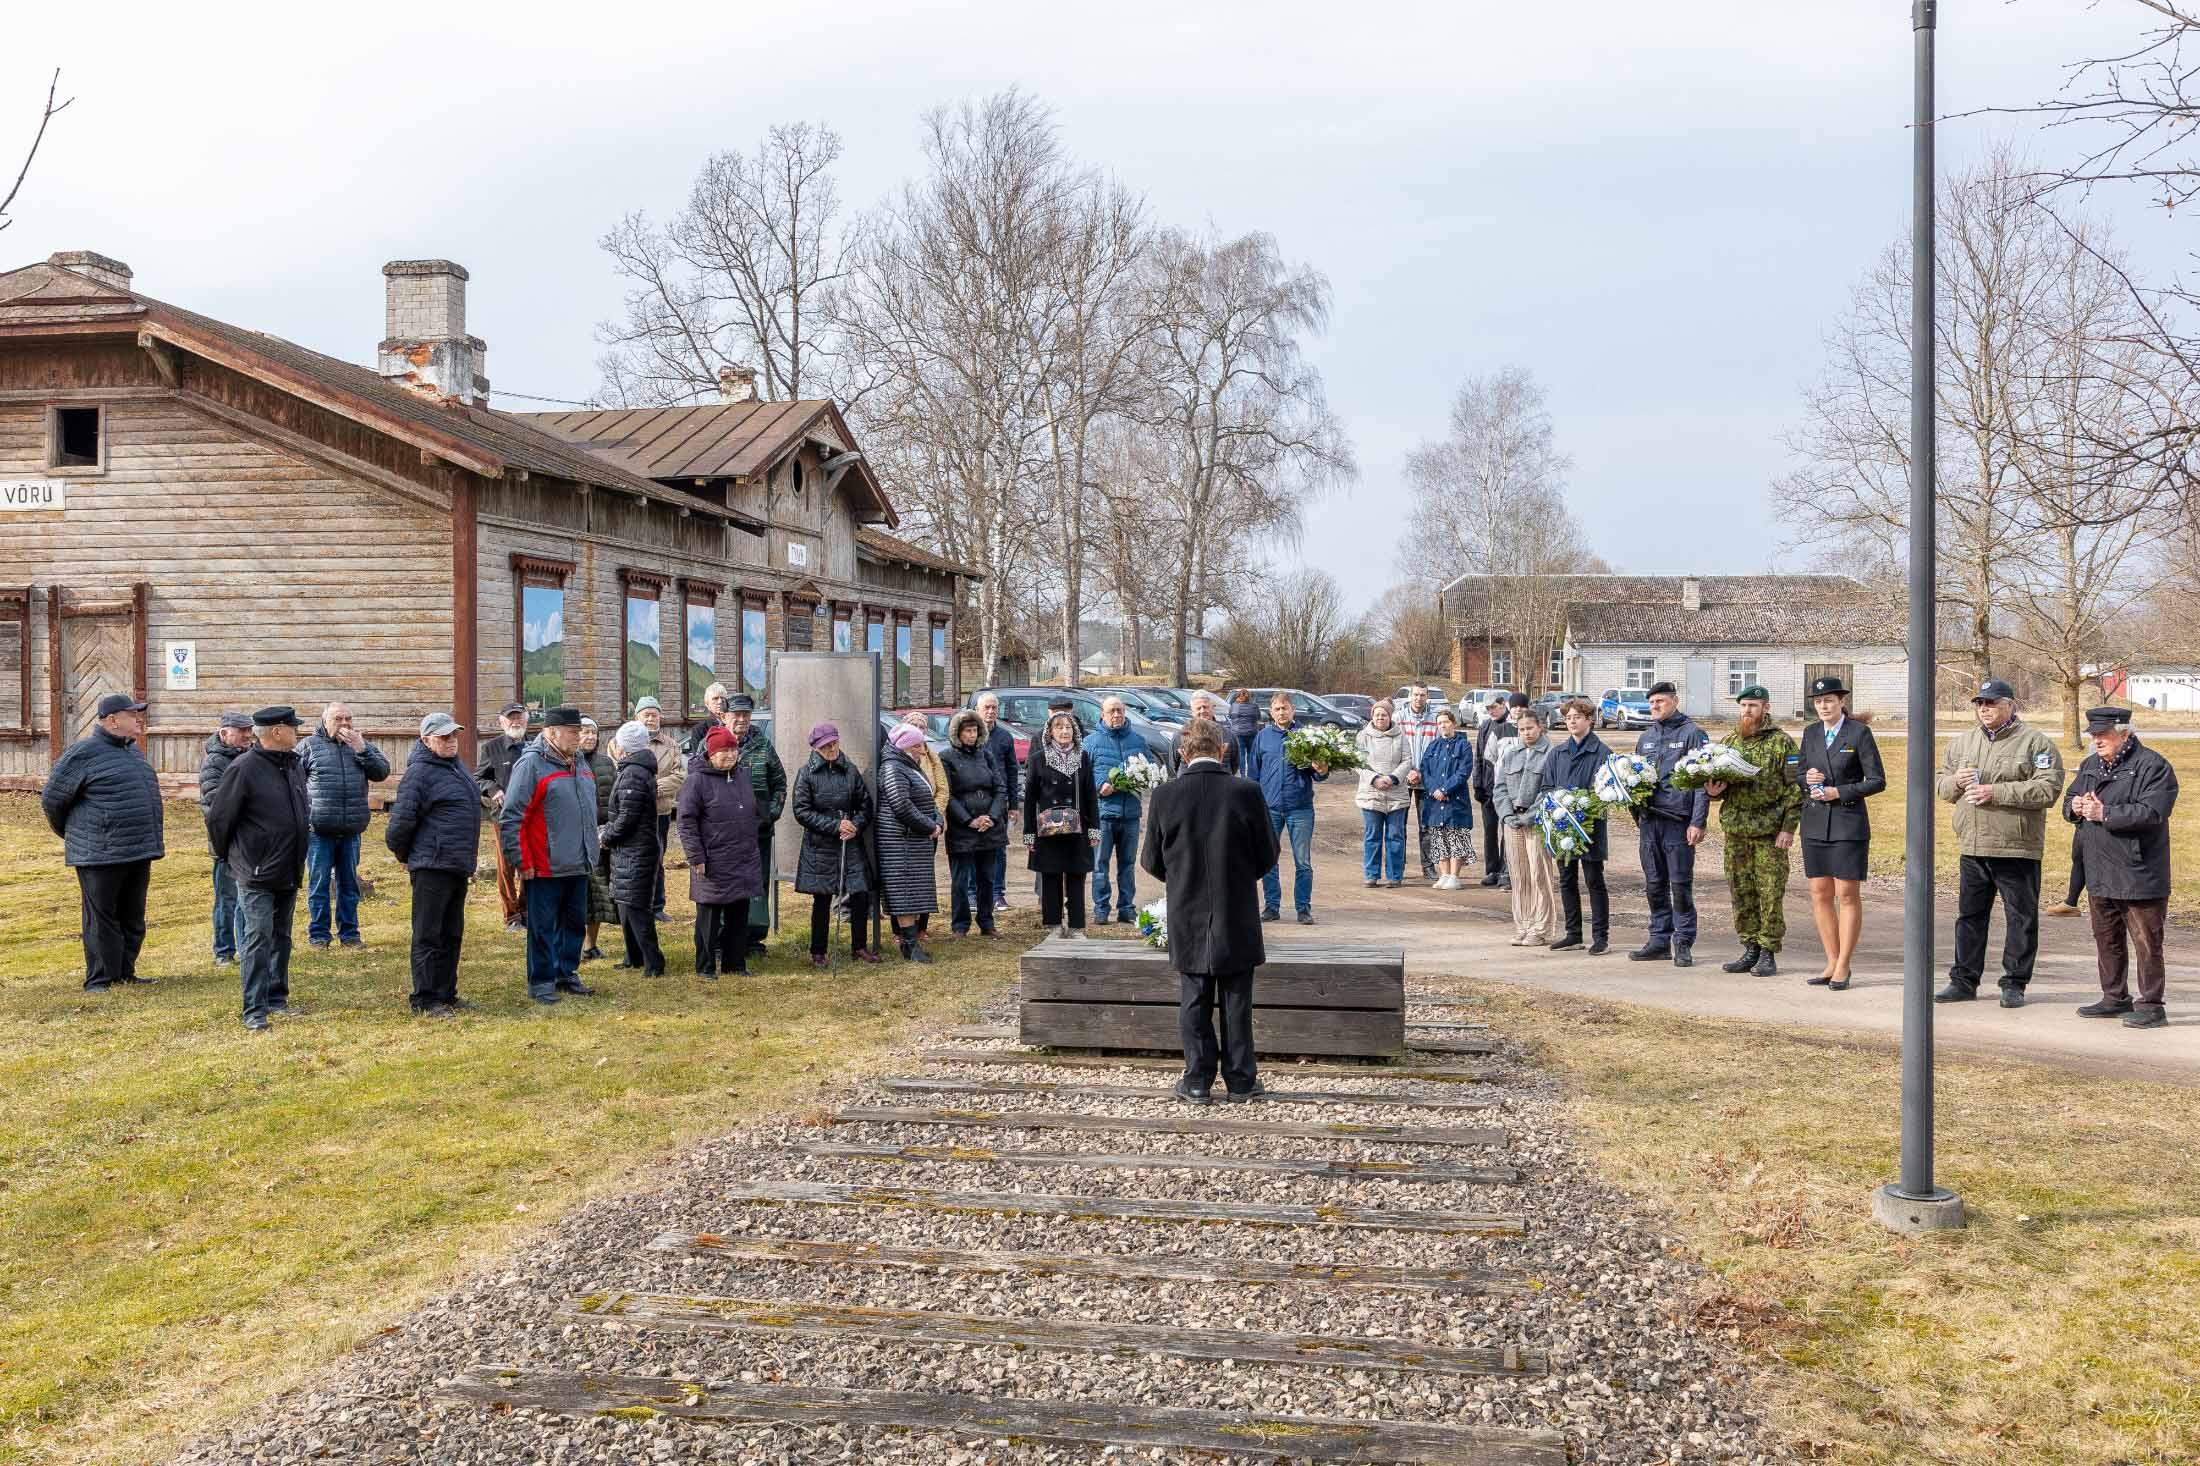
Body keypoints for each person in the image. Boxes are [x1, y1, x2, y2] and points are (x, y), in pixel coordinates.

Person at [1139, 717, 1281, 1104]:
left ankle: (1198, 1079)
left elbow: (1150, 859)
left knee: (1194, 996)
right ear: (1222, 751)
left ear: (1182, 754)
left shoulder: (1166, 796)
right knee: (1237, 998)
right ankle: (1240, 1079)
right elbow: (1268, 853)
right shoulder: (1246, 792)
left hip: (1187, 906)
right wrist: (1236, 876)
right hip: (1236, 906)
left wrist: (1183, 878)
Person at [1933, 678, 2065, 1008]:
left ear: (2010, 705)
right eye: (1979, 703)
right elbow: (1940, 785)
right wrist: (1955, 782)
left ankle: (2014, 982)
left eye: (1991, 703)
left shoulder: (2036, 743)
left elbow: (2047, 789)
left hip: (2015, 846)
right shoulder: (1961, 743)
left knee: (2020, 917)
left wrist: (1997, 792)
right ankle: (1963, 980)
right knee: (1970, 917)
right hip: (1973, 846)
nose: (1984, 709)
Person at [2064, 706, 2179, 1029]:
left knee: (2146, 942)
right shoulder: (2089, 765)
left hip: (2139, 871)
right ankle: (2114, 997)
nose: (2097, 740)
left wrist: (2106, 814)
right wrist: (2074, 806)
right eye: (2094, 735)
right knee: (2106, 938)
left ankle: (2152, 1005)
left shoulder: (2153, 766)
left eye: (2103, 734)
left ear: (2125, 733)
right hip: (2099, 868)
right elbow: (2070, 799)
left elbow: (2153, 812)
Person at [43, 692, 165, 993]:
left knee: (132, 916)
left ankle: (125, 972)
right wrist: (75, 834)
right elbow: (53, 800)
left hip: (137, 849)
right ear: (112, 720)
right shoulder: (82, 753)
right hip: (99, 853)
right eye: (132, 713)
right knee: (102, 919)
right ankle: (99, 978)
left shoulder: (132, 751)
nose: (139, 718)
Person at [207, 706, 310, 1030]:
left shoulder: (292, 765)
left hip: (288, 867)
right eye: (293, 727)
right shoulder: (244, 768)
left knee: (281, 936)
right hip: (255, 870)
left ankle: (277, 998)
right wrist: (233, 858)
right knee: (257, 937)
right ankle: (254, 1009)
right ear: (277, 732)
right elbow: (219, 818)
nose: (298, 731)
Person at [500, 707, 602, 1004]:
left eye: (580, 731)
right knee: (542, 928)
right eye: (573, 732)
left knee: (574, 923)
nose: (579, 737)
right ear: (551, 732)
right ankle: (542, 981)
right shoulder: (531, 765)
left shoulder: (580, 763)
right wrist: (522, 861)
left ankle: (566, 973)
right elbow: (512, 817)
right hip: (544, 865)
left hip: (578, 862)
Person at [383, 712, 479, 1017]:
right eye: (443, 737)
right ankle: (424, 998)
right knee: (428, 933)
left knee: (451, 933)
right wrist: (406, 857)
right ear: (426, 740)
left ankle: (446, 993)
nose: (451, 742)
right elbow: (399, 826)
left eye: (453, 736)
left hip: (455, 864)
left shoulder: (455, 767)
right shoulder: (419, 773)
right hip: (431, 865)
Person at [1705, 685, 1802, 978]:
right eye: (1744, 705)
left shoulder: (1782, 743)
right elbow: (1719, 784)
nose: (1747, 711)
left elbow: (1795, 789)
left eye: (1754, 706)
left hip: (1769, 833)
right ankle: (1749, 947)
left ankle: (1768, 951)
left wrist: (1788, 828)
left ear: (1766, 708)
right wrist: (1712, 792)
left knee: (1771, 893)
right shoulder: (1730, 741)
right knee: (1741, 891)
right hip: (1736, 831)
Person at [1797, 675, 1886, 990]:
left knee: (1846, 895)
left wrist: (1840, 792)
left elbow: (1877, 780)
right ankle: (1831, 960)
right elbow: (1798, 773)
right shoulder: (1809, 733)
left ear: (1841, 702)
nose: (1823, 706)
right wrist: (1806, 778)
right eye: (1818, 702)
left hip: (1848, 823)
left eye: (1829, 700)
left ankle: (1845, 964)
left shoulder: (1859, 733)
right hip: (1815, 823)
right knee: (1820, 893)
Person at [1627, 681, 1709, 967]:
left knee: (1680, 884)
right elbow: (1632, 779)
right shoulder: (1646, 737)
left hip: (1678, 822)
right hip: (1651, 822)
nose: (1655, 707)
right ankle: (1659, 939)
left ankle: (1683, 941)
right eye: (1651, 703)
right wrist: (1636, 813)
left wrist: (1697, 822)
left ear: (1674, 701)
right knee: (1654, 884)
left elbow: (1701, 782)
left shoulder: (1692, 734)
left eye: (1660, 701)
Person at [298, 701, 389, 950]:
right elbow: (294, 782)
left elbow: (382, 772)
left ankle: (350, 934)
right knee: (318, 886)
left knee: (348, 885)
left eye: (348, 719)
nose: (345, 724)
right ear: (324, 720)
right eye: (339, 718)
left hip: (350, 830)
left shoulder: (360, 745)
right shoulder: (308, 746)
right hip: (319, 830)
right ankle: (319, 936)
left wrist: (362, 750)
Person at [679, 723, 765, 979]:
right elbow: (686, 821)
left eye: (732, 750)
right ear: (710, 753)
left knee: (739, 914)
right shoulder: (696, 781)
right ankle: (705, 967)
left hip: (743, 856)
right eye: (723, 751)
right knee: (709, 917)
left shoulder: (742, 775)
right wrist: (696, 857)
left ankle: (734, 963)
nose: (729, 755)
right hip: (712, 859)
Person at [792, 722, 881, 966]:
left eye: (834, 744)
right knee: (822, 899)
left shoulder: (849, 770)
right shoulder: (806, 773)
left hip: (850, 842)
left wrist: (855, 825)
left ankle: (859, 946)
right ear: (816, 748)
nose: (832, 749)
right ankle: (818, 951)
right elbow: (801, 810)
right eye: (826, 746)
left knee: (860, 893)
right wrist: (834, 825)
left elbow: (865, 804)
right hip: (820, 845)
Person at [1244, 690, 1329, 923]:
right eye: (1277, 709)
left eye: (1285, 708)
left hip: (1299, 808)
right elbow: (1253, 773)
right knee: (1269, 860)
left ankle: (1303, 909)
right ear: (1271, 713)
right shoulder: (1263, 737)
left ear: (1293, 710)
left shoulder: (1306, 736)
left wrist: (1321, 769)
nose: (1281, 712)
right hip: (1269, 809)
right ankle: (1272, 906)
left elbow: (1319, 773)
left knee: (1303, 861)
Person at [1540, 699, 1612, 954]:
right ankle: (1573, 933)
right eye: (1569, 717)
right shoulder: (1557, 753)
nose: (1572, 721)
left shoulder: (1602, 753)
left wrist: (1583, 806)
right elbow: (1547, 787)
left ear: (1590, 719)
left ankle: (1600, 936)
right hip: (1563, 829)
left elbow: (1606, 791)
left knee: (1594, 880)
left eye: (1577, 717)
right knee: (1567, 880)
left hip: (1589, 827)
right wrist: (1559, 806)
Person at [1024, 708, 1101, 937]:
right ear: (1050, 732)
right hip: (1048, 829)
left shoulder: (1083, 757)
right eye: (1059, 727)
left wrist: (1094, 829)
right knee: (1051, 876)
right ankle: (1054, 925)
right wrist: (1029, 833)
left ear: (1075, 731)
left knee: (1077, 876)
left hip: (1078, 828)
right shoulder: (1038, 759)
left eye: (1068, 727)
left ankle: (1077, 926)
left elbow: (1090, 795)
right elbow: (1030, 800)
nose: (1064, 731)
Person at [721, 695, 786, 957]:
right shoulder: (712, 744)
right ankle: (722, 939)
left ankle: (753, 938)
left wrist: (770, 815)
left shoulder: (763, 745)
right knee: (725, 885)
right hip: (724, 835)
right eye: (736, 714)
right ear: (724, 716)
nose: (741, 720)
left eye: (746, 715)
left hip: (757, 832)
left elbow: (780, 784)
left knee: (756, 884)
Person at [601, 720, 665, 977]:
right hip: (629, 849)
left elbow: (628, 816)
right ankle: (634, 957)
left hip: (635, 849)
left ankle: (653, 963)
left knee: (637, 908)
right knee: (625, 904)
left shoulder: (634, 773)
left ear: (623, 747)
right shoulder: (634, 769)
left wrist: (607, 835)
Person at [878, 721, 944, 960]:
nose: (921, 750)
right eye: (917, 745)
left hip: (914, 840)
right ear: (905, 746)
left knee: (914, 893)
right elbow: (901, 805)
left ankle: (911, 944)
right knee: (904, 894)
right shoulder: (893, 768)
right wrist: (929, 826)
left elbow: (929, 794)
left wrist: (938, 822)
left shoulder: (910, 765)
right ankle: (910, 945)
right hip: (899, 841)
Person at [1492, 708, 1558, 944]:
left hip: (1536, 822)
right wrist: (1506, 815)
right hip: (1512, 822)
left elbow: (1549, 790)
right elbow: (1499, 788)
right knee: (1519, 876)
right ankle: (1523, 924)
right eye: (1521, 729)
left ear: (1540, 727)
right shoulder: (1511, 753)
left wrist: (1530, 816)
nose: (1526, 733)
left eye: (1530, 728)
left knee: (1539, 874)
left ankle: (1540, 928)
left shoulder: (1551, 753)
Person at [197, 711, 255, 966]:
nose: (246, 735)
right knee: (227, 899)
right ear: (224, 733)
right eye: (240, 730)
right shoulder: (214, 763)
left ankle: (246, 947)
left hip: (249, 842)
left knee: (247, 898)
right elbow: (215, 805)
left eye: (248, 730)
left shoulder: (252, 756)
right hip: (226, 842)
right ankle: (223, 951)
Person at [942, 709, 1008, 936]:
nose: (971, 735)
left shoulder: (986, 755)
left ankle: (987, 922)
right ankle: (960, 925)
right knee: (960, 880)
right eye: (967, 731)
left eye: (974, 731)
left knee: (987, 878)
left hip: (990, 826)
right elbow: (947, 795)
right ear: (957, 733)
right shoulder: (946, 757)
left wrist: (992, 816)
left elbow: (1000, 788)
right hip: (963, 828)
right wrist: (969, 820)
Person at [1086, 696, 1149, 925]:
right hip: (1103, 814)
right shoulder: (1091, 742)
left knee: (1128, 865)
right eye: (1112, 711)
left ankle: (1126, 908)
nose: (1116, 715)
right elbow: (1083, 776)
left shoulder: (1138, 741)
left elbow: (1148, 768)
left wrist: (1139, 781)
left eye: (1120, 711)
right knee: (1099, 865)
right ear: (1102, 714)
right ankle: (1101, 908)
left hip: (1130, 814)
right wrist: (1098, 786)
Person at [474, 703, 532, 932]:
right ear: (501, 721)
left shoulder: (537, 744)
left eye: (519, 717)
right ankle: (512, 916)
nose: (515, 722)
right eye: (511, 718)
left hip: (532, 815)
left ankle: (527, 911)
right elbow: (479, 778)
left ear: (527, 720)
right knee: (506, 866)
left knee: (530, 862)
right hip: (504, 817)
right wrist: (495, 790)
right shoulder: (492, 748)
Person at [634, 697, 689, 922]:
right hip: (635, 812)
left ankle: (657, 905)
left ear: (660, 717)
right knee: (635, 859)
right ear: (637, 717)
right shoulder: (624, 741)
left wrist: (653, 788)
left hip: (660, 811)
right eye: (645, 714)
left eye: (654, 714)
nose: (650, 718)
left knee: (657, 857)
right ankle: (635, 906)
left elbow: (679, 776)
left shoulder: (671, 745)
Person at [1353, 698, 1413, 887]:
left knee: (1395, 835)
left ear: (1390, 716)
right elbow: (1357, 761)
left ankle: (1395, 875)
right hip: (1371, 793)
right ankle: (1371, 874)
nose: (1381, 717)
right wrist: (1375, 779)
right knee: (1373, 835)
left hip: (1396, 794)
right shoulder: (1363, 736)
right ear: (1372, 716)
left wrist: (1392, 778)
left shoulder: (1401, 736)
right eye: (1377, 714)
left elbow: (1407, 761)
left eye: (1384, 714)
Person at [1418, 708, 1476, 889]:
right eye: (1440, 723)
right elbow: (1424, 770)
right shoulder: (1433, 746)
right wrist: (1434, 789)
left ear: (1453, 723)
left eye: (1446, 722)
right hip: (1434, 800)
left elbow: (1463, 771)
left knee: (1455, 837)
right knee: (1438, 838)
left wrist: (1445, 789)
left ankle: (1454, 876)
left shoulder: (1463, 745)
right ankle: (1443, 874)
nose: (1443, 725)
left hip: (1455, 800)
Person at [975, 692, 1022, 907]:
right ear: (978, 710)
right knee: (972, 848)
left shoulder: (1004, 737)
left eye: (994, 707)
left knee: (998, 849)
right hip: (973, 802)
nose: (991, 711)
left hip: (998, 802)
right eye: (987, 707)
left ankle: (997, 893)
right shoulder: (969, 734)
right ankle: (972, 893)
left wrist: (1013, 804)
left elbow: (1012, 771)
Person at [1393, 684, 1443, 882]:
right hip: (1402, 779)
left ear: (1427, 697)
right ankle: (1398, 867)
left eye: (1422, 695)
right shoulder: (1398, 718)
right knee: (1399, 825)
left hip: (1426, 780)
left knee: (1427, 826)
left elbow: (1438, 751)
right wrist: (1406, 771)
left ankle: (1428, 866)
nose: (1418, 698)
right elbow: (1393, 748)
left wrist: (1422, 773)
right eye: (1415, 695)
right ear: (1410, 696)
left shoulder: (1434, 720)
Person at [1473, 692, 1520, 890]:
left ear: (1503, 704)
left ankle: (1505, 871)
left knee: (1507, 831)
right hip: (1489, 788)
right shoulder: (1485, 726)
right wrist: (1478, 785)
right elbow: (1480, 758)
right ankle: (1492, 869)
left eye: (1493, 707)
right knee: (1490, 831)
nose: (1490, 711)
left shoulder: (1514, 724)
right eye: (1488, 709)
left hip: (1509, 790)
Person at [576, 717, 615, 962]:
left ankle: (591, 944)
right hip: (575, 839)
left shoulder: (605, 763)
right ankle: (573, 945)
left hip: (601, 838)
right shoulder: (567, 763)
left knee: (597, 896)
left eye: (593, 732)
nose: (589, 737)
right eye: (584, 732)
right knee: (576, 896)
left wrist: (609, 829)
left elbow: (614, 800)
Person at [1188, 691, 1239, 773]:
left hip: (1222, 783)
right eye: (1198, 708)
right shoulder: (1183, 735)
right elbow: (1175, 765)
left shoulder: (1228, 735)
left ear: (1213, 708)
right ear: (1192, 711)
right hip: (1189, 784)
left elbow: (1235, 764)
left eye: (1205, 707)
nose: (1202, 711)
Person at [684, 683, 731, 760]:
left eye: (723, 698)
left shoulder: (734, 724)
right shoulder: (699, 730)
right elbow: (699, 758)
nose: (720, 701)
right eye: (715, 698)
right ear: (707, 704)